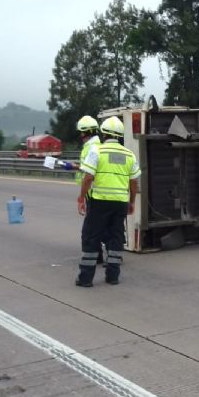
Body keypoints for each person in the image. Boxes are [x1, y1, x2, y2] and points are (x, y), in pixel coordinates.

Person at [75, 116, 139, 287]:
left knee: (91, 236)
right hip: (120, 203)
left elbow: (88, 177)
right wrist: (131, 202)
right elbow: (134, 182)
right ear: (119, 135)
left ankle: (86, 278)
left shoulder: (97, 151)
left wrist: (82, 198)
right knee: (116, 237)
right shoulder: (129, 154)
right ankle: (113, 276)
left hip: (99, 202)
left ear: (103, 134)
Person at [66, 115, 105, 264]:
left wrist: (74, 166)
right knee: (100, 226)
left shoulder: (91, 147)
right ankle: (100, 255)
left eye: (81, 132)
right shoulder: (97, 145)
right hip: (97, 191)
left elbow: (89, 173)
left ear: (86, 132)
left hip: (92, 192)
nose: (80, 136)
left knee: (90, 229)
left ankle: (93, 257)